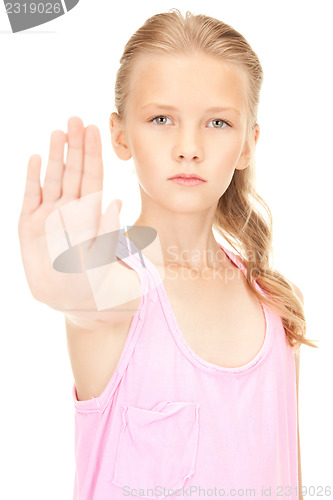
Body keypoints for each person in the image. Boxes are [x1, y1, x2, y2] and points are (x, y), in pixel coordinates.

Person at [18, 8, 318, 500]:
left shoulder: (275, 304)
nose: (188, 147)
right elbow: (86, 300)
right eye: (161, 119)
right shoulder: (117, 287)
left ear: (249, 144)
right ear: (121, 135)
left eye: (218, 122)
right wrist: (60, 282)